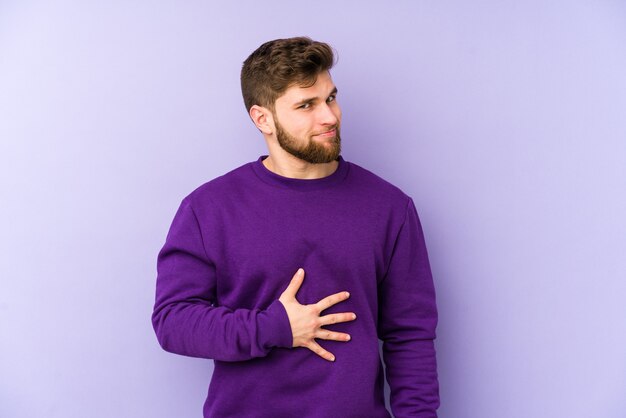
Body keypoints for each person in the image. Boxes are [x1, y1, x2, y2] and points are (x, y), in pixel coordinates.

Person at [152, 36, 439, 418]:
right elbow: (172, 321)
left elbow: (411, 335)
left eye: (331, 98)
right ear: (263, 118)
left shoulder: (389, 207)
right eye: (307, 105)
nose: (330, 117)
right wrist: (272, 328)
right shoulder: (209, 208)